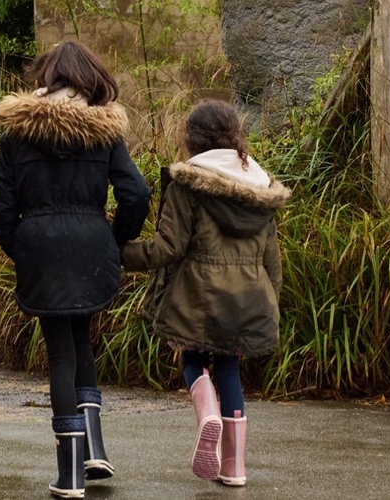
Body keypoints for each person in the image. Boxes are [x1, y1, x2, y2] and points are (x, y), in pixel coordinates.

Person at [0, 41, 151, 499]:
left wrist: (21, 248)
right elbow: (135, 193)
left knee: (62, 351)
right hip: (92, 244)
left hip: (39, 246)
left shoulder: (18, 133)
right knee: (81, 339)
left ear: (46, 78)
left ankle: (71, 474)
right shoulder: (105, 131)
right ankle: (94, 448)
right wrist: (113, 242)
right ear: (91, 79)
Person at [120, 99, 289, 487]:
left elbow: (168, 248)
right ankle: (234, 468)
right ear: (234, 136)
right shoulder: (260, 185)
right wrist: (269, 301)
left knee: (193, 362)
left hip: (198, 296)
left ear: (193, 139)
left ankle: (207, 415)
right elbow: (271, 261)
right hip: (250, 297)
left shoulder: (188, 183)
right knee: (230, 368)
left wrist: (118, 252)